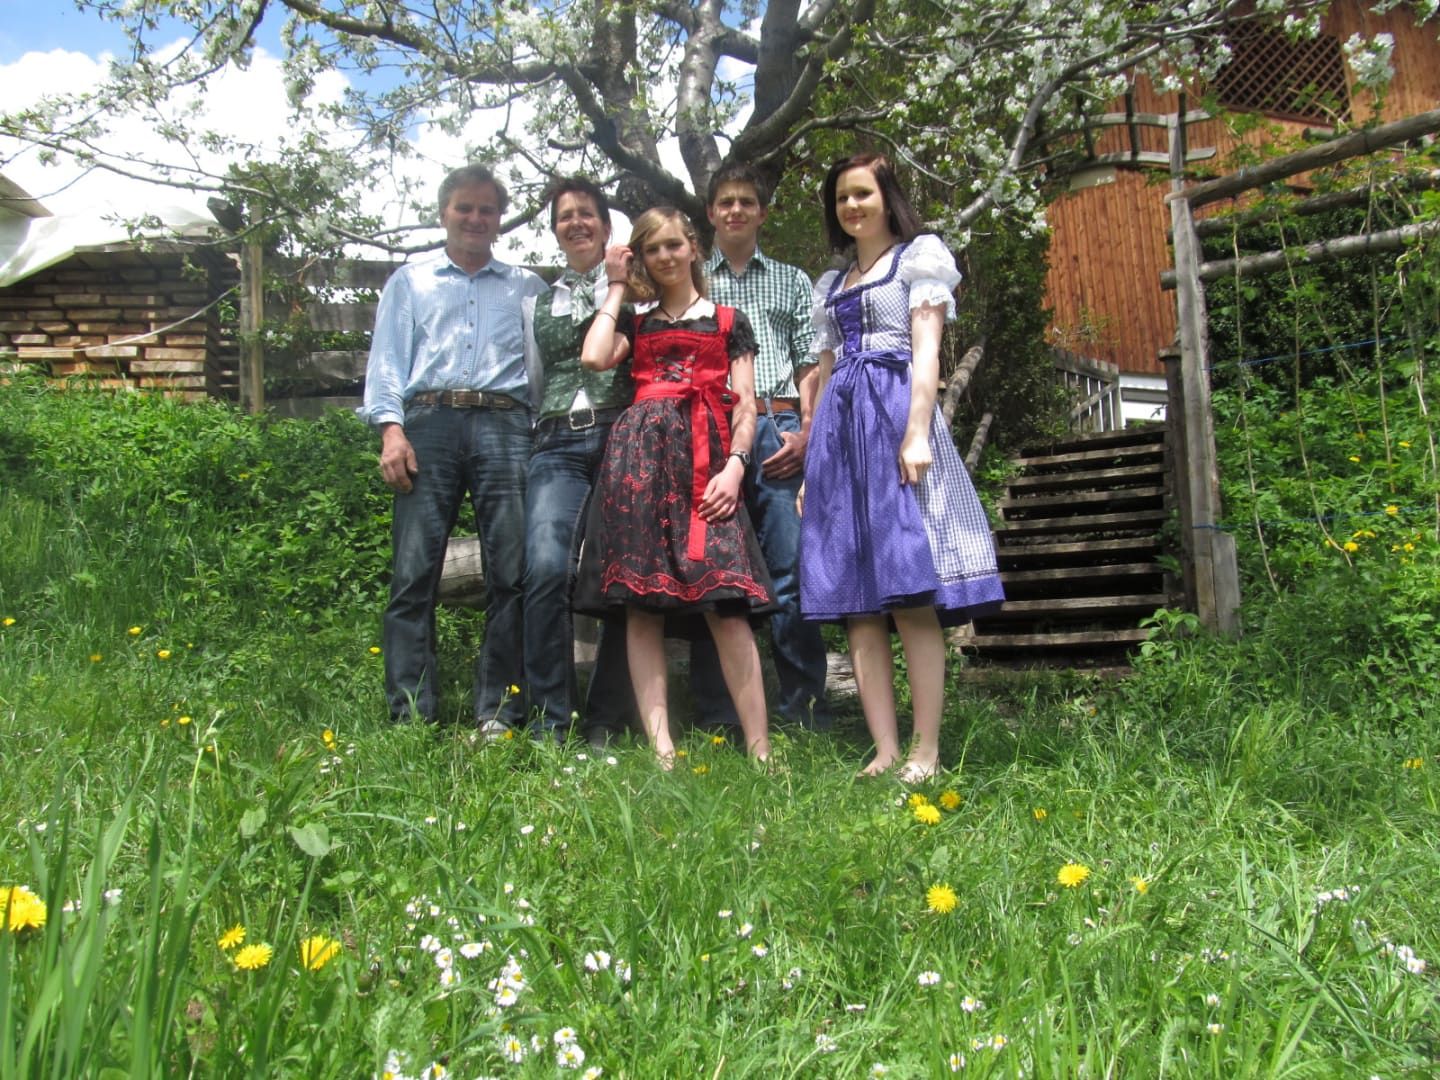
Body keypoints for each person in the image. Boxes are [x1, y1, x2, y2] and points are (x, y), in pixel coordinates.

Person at [799, 153, 1005, 781]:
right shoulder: (831, 284)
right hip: (840, 436)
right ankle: (885, 749)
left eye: (862, 193)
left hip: (894, 423)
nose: (851, 206)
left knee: (909, 593)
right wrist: (812, 467)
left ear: (886, 196)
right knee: (858, 603)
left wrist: (917, 433)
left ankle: (926, 749)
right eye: (842, 197)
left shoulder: (918, 259)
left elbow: (927, 352)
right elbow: (825, 374)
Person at [578, 207, 774, 765]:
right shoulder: (636, 322)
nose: (664, 257)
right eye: (652, 249)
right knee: (642, 605)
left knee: (727, 602)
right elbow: (593, 356)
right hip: (639, 462)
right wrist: (617, 286)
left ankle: (761, 751)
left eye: (672, 245)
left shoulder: (729, 320)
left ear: (692, 247)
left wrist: (736, 467)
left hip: (707, 463)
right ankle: (662, 750)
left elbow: (746, 404)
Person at [360, 164, 547, 732]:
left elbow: (543, 370)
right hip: (429, 423)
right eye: (464, 207)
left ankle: (499, 712)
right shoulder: (410, 281)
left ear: (500, 219)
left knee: (510, 574)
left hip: (505, 425)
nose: (475, 218)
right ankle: (411, 715)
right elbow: (386, 363)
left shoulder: (526, 287)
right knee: (413, 573)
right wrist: (391, 431)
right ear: (444, 212)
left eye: (487, 209)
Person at [690, 163, 832, 732]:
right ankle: (718, 713)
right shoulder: (695, 278)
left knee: (789, 566)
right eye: (725, 202)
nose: (735, 211)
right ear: (710, 212)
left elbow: (808, 363)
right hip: (709, 430)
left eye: (746, 202)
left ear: (762, 212)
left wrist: (808, 433)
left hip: (777, 425)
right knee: (711, 568)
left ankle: (803, 708)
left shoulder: (792, 280)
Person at [521, 177, 635, 747]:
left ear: (606, 226)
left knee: (620, 573)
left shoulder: (635, 291)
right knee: (544, 568)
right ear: (555, 231)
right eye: (565, 216)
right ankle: (550, 719)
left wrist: (618, 284)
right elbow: (536, 380)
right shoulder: (537, 304)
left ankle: (606, 720)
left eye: (586, 213)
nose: (576, 223)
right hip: (557, 440)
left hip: (620, 432)